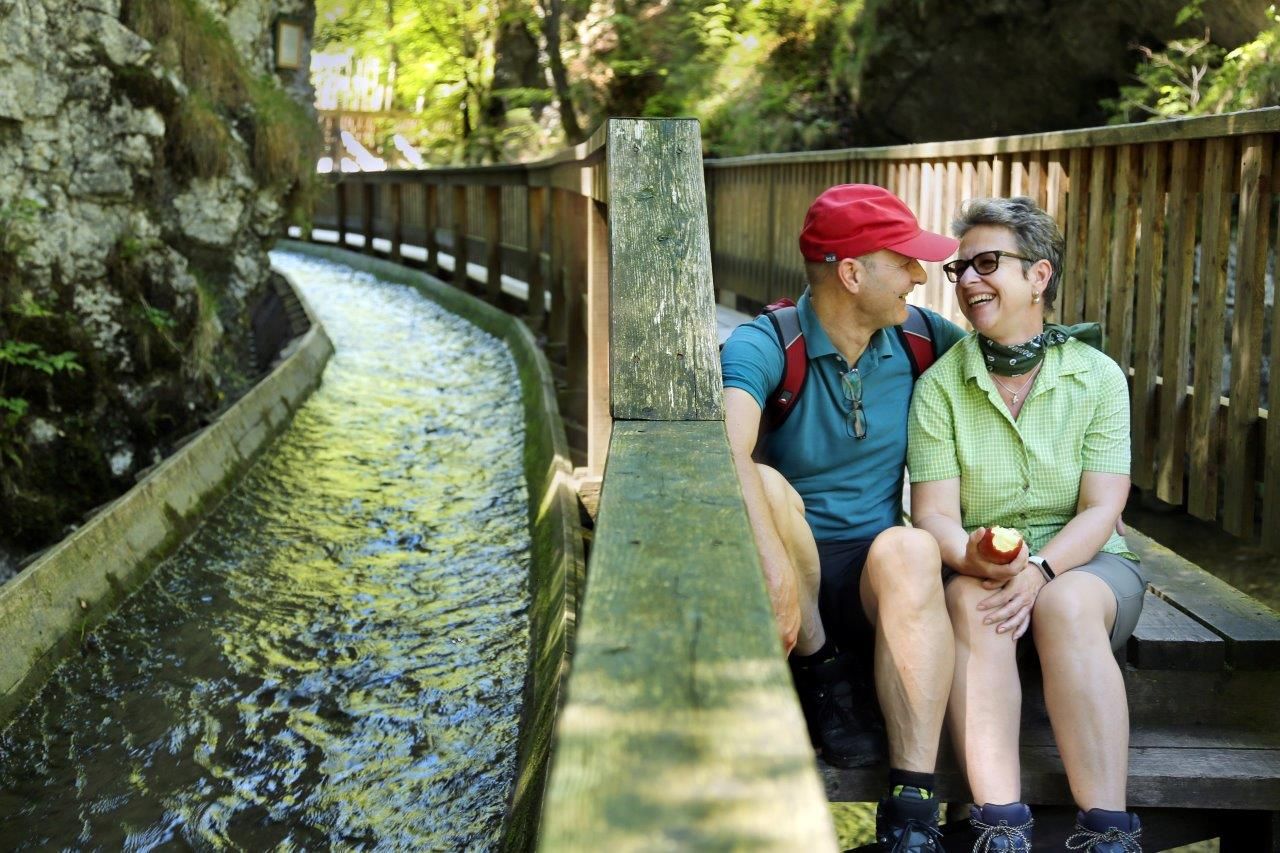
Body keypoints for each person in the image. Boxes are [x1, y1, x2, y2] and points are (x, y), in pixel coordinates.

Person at [720, 184, 967, 852]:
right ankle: (823, 672)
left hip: (873, 579)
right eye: (907, 261)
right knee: (764, 479)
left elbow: (1006, 370)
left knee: (911, 548)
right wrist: (774, 571)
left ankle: (913, 808)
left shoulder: (923, 340)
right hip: (784, 573)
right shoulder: (766, 342)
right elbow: (726, 448)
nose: (922, 275)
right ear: (853, 273)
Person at [907, 196, 1146, 852]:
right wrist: (974, 558)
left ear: (1039, 276)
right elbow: (932, 514)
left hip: (1087, 563)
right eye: (960, 269)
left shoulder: (1096, 376)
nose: (969, 281)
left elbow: (1104, 505)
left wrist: (1043, 569)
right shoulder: (939, 388)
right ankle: (1001, 825)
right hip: (984, 565)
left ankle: (1108, 831)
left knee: (1065, 605)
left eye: (988, 262)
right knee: (972, 600)